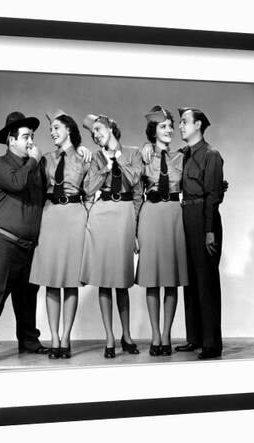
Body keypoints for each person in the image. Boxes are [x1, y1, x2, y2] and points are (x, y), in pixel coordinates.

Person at [0, 111, 49, 365]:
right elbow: (17, 183)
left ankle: (28, 340)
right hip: (3, 242)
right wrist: (34, 162)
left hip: (28, 246)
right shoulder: (0, 165)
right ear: (11, 140)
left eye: (32, 137)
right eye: (26, 136)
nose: (31, 142)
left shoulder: (35, 168)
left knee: (27, 296)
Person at [80, 113, 144, 358]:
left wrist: (136, 229)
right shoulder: (95, 158)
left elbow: (136, 186)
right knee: (105, 281)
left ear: (111, 127)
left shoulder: (133, 152)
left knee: (121, 281)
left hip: (124, 214)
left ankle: (126, 335)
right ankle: (109, 337)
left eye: (98, 129)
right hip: (102, 215)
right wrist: (106, 166)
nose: (96, 134)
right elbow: (88, 188)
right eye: (93, 133)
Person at [29, 109, 90, 359]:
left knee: (70, 281)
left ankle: (66, 338)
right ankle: (53, 338)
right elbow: (36, 187)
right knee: (53, 282)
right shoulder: (45, 158)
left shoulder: (84, 158)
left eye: (56, 127)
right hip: (51, 215)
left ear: (69, 130)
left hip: (75, 216)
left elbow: (92, 189)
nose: (52, 132)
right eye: (51, 129)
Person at [135, 106, 188, 357]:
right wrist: (134, 229)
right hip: (151, 215)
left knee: (171, 279)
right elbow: (135, 193)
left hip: (174, 216)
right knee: (153, 278)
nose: (168, 130)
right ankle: (155, 334)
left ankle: (167, 334)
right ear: (153, 131)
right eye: (163, 126)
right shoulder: (144, 156)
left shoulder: (181, 156)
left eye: (170, 126)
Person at [174, 107, 225, 360]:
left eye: (184, 122)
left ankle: (211, 344)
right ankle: (194, 338)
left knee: (206, 282)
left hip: (204, 219)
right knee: (191, 280)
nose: (180, 126)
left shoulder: (211, 154)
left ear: (198, 125)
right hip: (187, 216)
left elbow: (213, 197)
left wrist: (208, 231)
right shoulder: (185, 155)